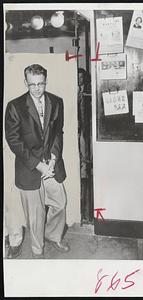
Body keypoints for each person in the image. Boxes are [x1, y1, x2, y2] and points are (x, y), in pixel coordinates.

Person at [5, 64, 70, 259]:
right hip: (29, 167)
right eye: (32, 84)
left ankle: (52, 235)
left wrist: (53, 158)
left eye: (40, 84)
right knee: (35, 216)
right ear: (26, 82)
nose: (37, 89)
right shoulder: (15, 106)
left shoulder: (57, 102)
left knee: (60, 202)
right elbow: (14, 141)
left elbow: (58, 133)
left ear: (46, 81)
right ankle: (37, 251)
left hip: (51, 165)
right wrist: (38, 164)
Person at [77, 68, 93, 224]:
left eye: (82, 78)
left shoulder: (87, 91)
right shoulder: (73, 91)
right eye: (78, 78)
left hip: (85, 127)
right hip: (77, 126)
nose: (80, 80)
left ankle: (84, 173)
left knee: (85, 151)